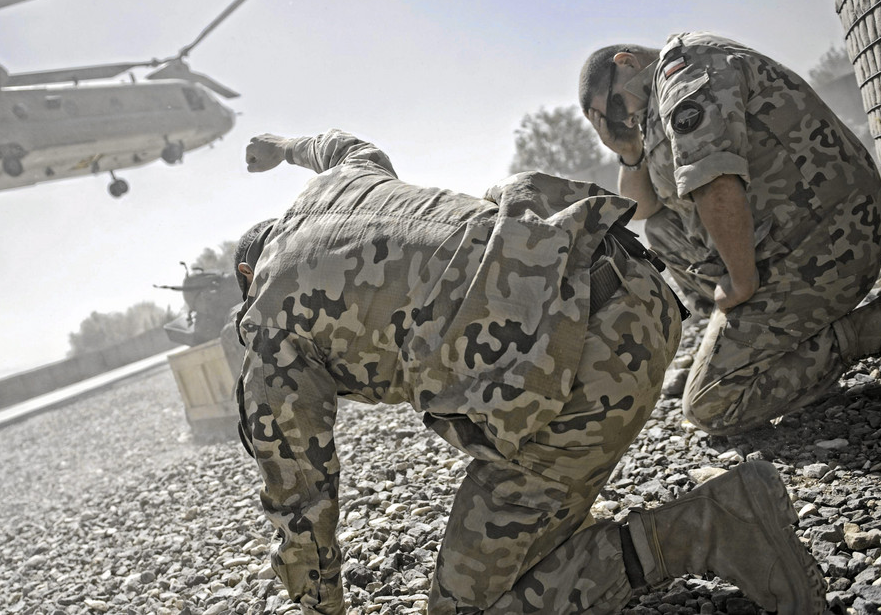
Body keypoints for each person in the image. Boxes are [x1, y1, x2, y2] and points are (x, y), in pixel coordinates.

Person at [231, 128, 825, 614]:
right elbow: (337, 143)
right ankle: (561, 531)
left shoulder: (267, 320)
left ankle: (713, 526)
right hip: (636, 288)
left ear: (247, 275)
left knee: (467, 610)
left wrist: (319, 605)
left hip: (583, 368)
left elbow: (300, 497)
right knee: (515, 495)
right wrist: (283, 148)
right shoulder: (342, 185)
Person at [580, 32, 881, 436]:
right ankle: (766, 338)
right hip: (795, 235)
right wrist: (628, 151)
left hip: (831, 240)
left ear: (625, 62)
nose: (620, 120)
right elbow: (641, 210)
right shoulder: (656, 100)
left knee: (711, 404)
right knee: (662, 230)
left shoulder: (683, 72)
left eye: (613, 107)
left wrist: (740, 282)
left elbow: (714, 179)